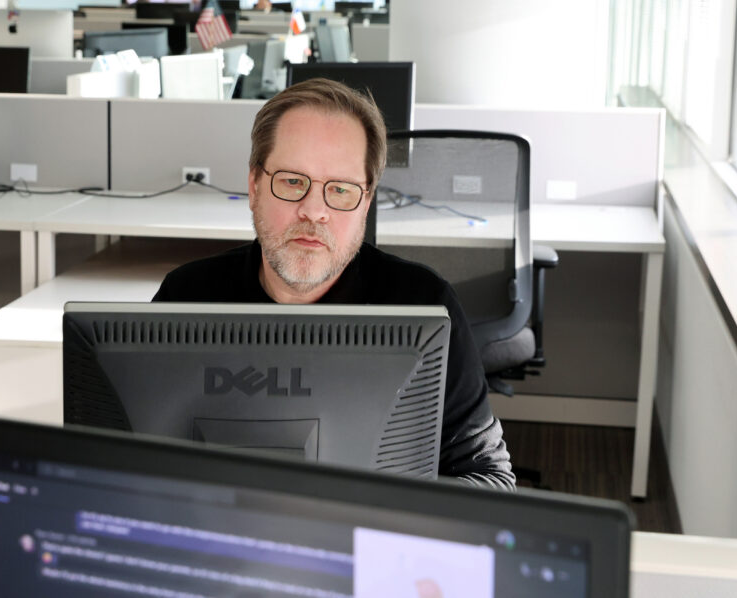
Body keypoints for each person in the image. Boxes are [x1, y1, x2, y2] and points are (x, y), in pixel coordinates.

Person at [152, 78, 515, 490]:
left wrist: (392, 514)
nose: (314, 210)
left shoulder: (424, 308)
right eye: (291, 181)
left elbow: (490, 479)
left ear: (366, 201)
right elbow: (128, 461)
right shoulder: (186, 299)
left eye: (340, 190)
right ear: (254, 187)